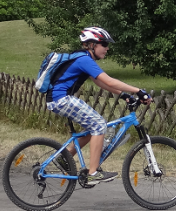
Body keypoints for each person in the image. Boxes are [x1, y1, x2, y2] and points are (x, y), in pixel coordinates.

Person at [45, 27, 150, 185]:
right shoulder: (84, 59)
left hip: (58, 99)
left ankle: (64, 157)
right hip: (61, 99)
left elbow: (100, 82)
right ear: (91, 44)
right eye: (104, 44)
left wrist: (124, 95)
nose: (107, 48)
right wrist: (138, 91)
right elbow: (108, 80)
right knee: (99, 124)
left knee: (92, 129)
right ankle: (92, 173)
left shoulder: (83, 58)